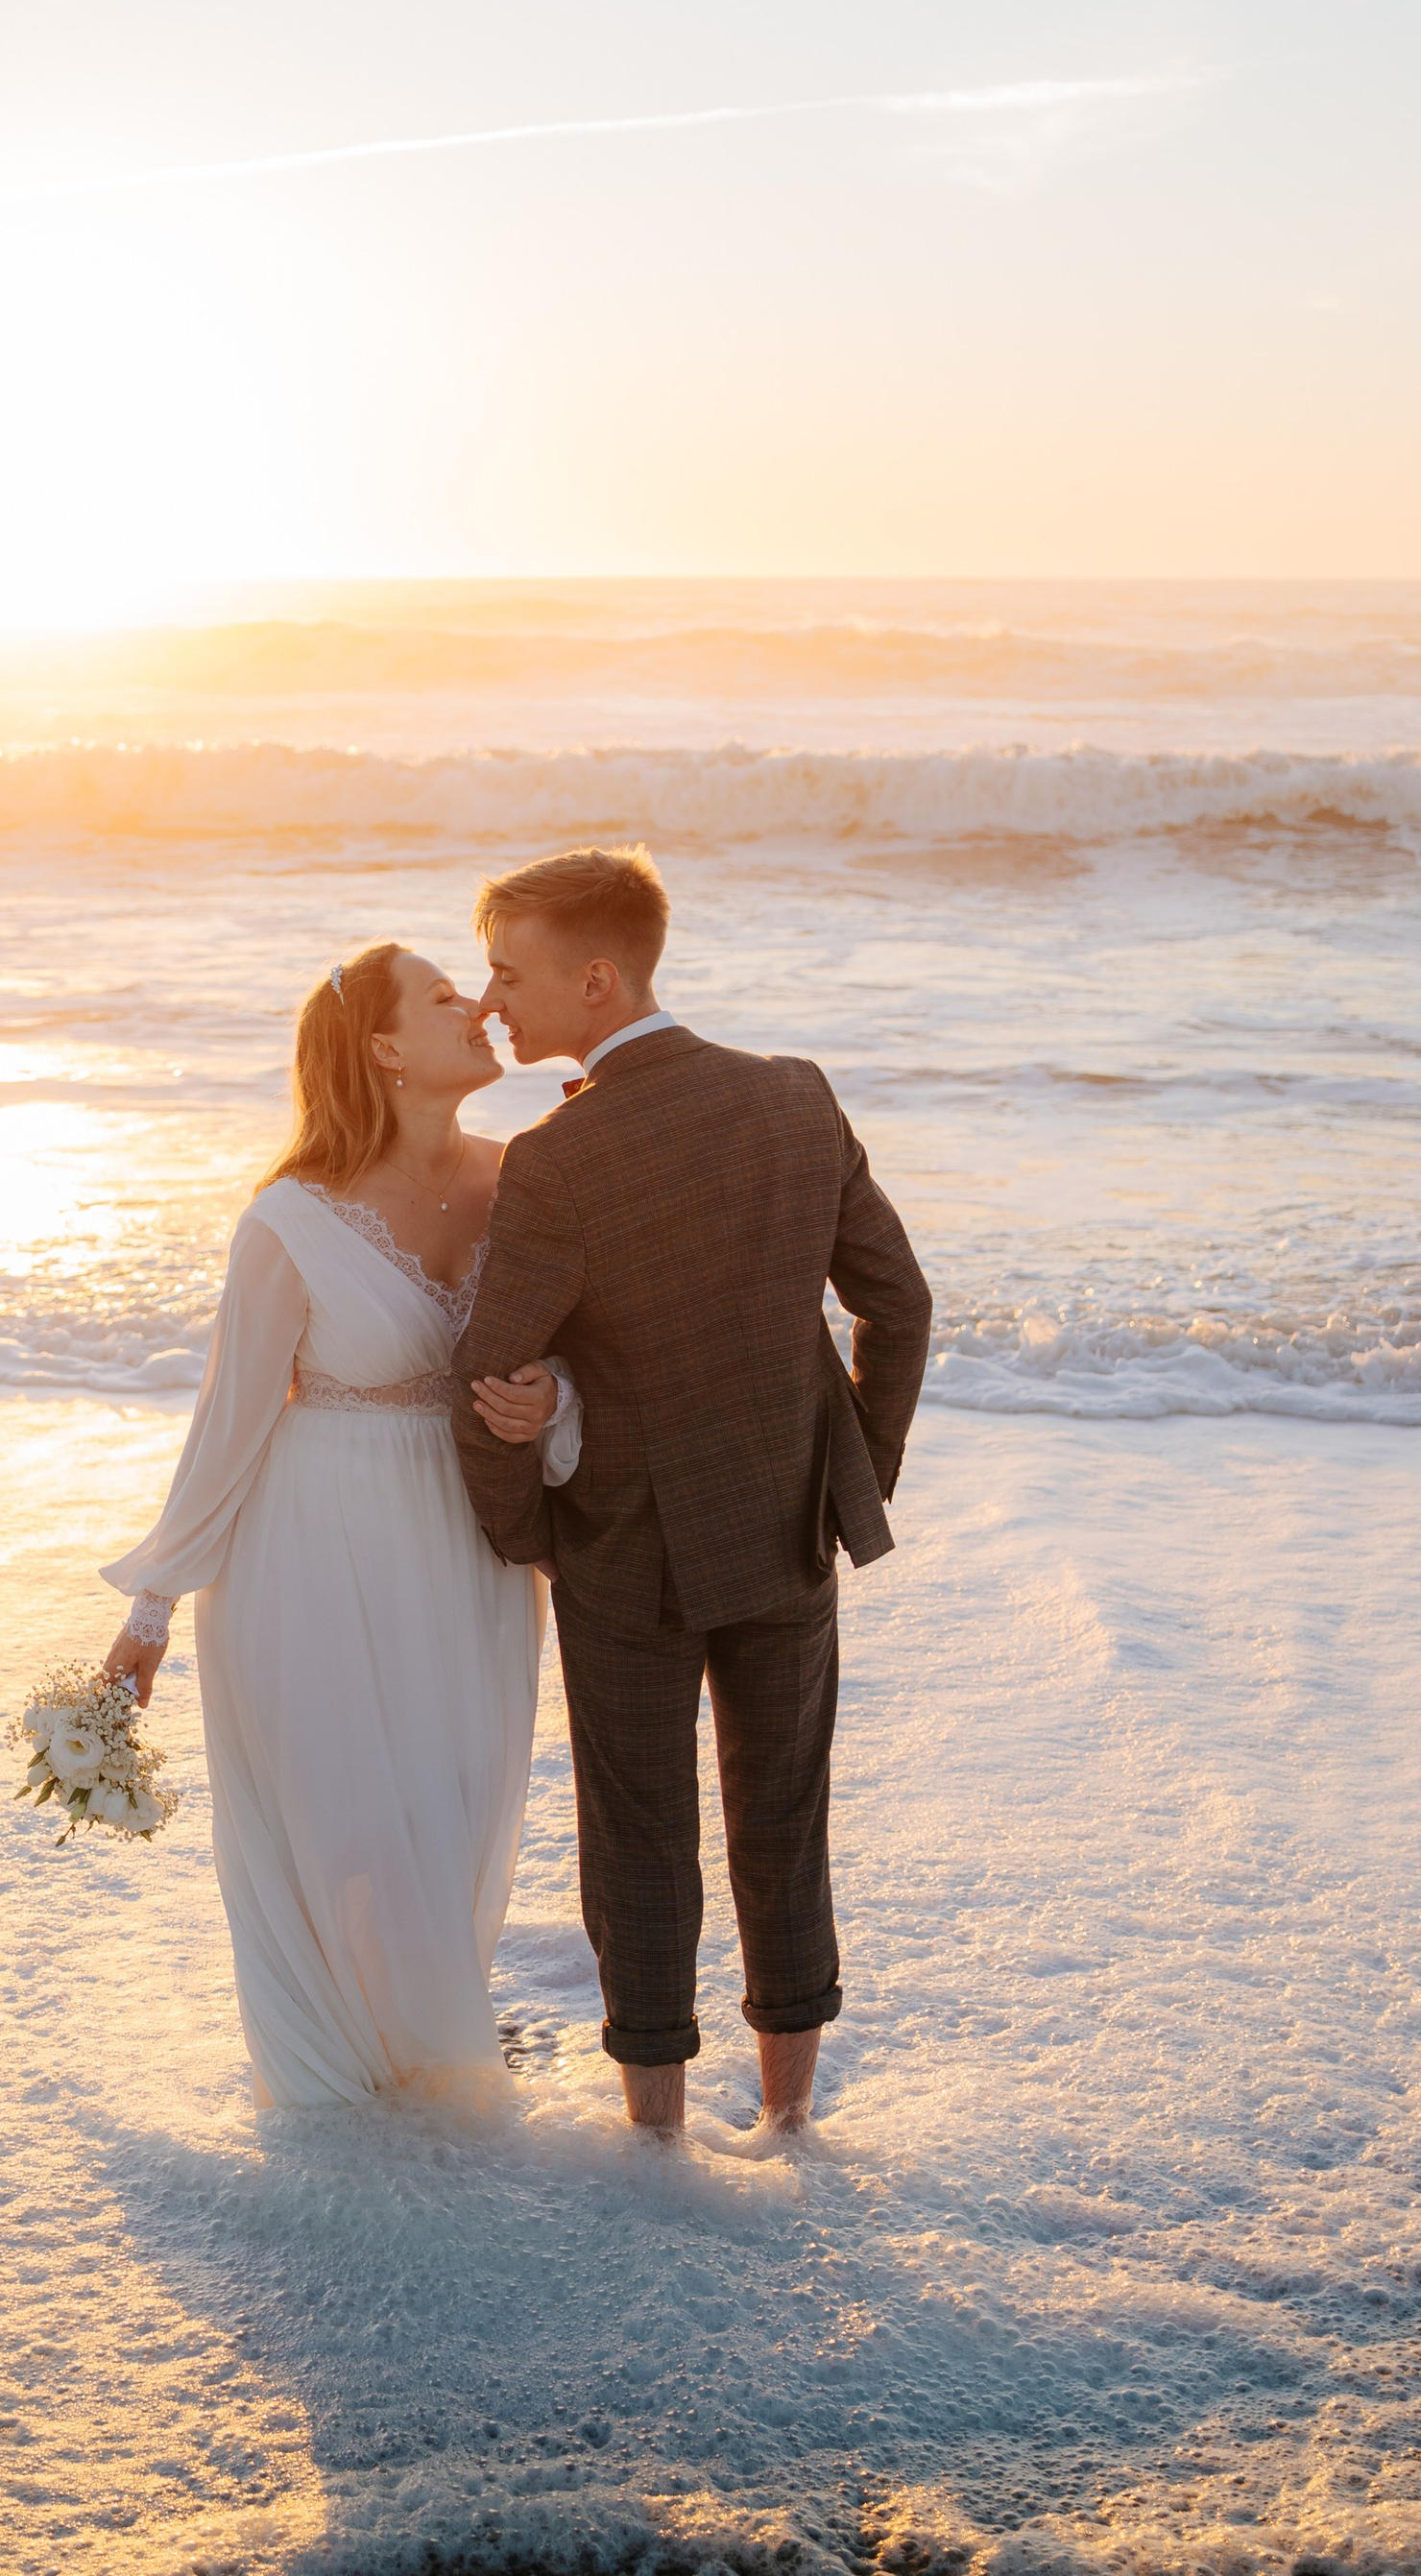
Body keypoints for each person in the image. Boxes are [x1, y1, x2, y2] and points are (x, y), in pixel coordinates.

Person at [450, 845, 931, 2140]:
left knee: (642, 1838)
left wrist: (530, 1532)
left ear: (596, 980)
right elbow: (899, 1303)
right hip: (786, 1537)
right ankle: (789, 2124)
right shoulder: (793, 1097)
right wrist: (848, 1480)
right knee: (786, 1819)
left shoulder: (558, 1157)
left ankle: (655, 2138)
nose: (490, 1002)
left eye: (508, 973)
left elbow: (485, 1371)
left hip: (626, 1551)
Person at [97, 945, 576, 2108]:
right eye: (443, 997)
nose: (476, 1007)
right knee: (351, 1814)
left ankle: (432, 2041)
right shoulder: (290, 1222)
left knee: (456, 1795)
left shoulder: (526, 1177)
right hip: (313, 1545)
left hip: (469, 1543)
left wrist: (556, 1402)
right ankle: (348, 2098)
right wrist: (150, 1611)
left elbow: (587, 1346)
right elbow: (227, 1425)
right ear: (383, 1051)